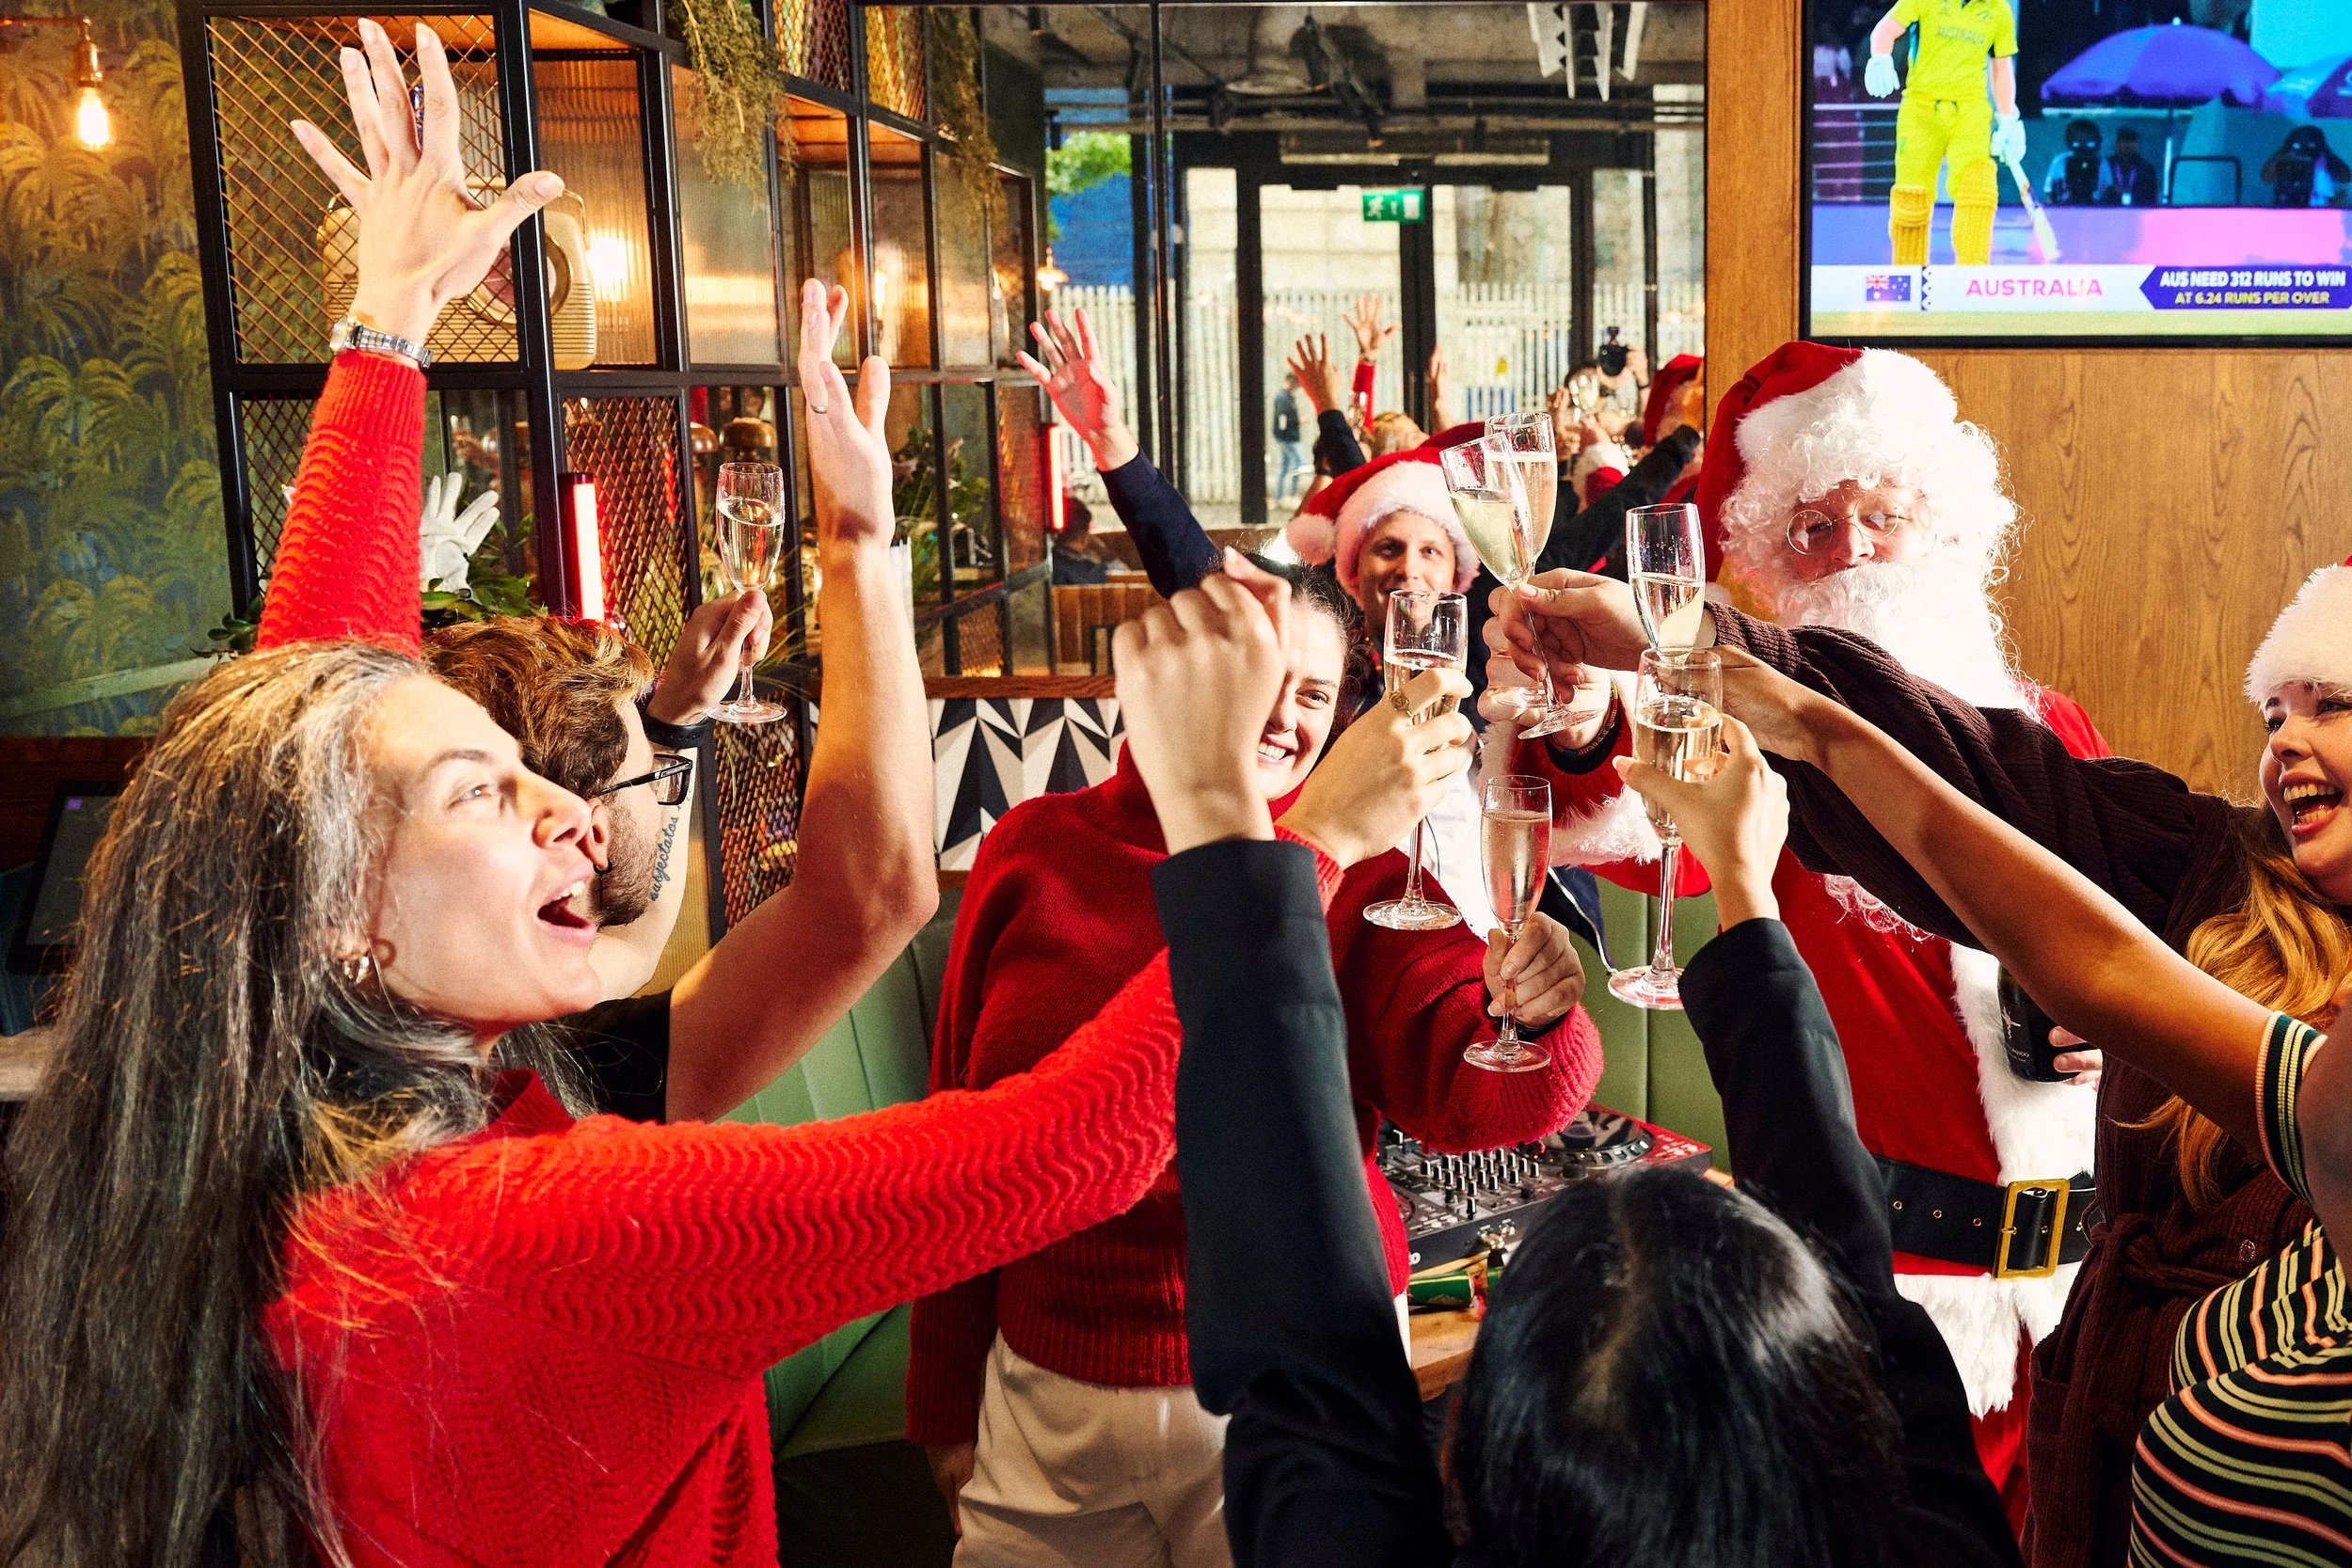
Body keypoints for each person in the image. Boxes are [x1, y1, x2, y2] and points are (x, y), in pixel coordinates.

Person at [0, 28, 1427, 1566]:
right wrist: (1308, 840)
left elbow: (331, 724)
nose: (571, 812)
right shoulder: (531, 1230)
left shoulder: (342, 1104)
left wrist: (391, 321)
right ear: (342, 917)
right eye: (489, 792)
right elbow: (1061, 1150)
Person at [1488, 537, 2350, 1566]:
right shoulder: (2215, 867)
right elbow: (1995, 806)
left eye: (2329, 705)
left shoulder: (2314, 1106)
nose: (2287, 740)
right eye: (2272, 713)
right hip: (2031, 1390)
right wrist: (1717, 665)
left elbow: (2092, 963)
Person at [1169, 675, 2022, 1566]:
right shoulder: (1932, 1539)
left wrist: (1296, 835)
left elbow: (1311, 1370)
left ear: (1459, 1455)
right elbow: (1863, 1297)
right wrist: (1742, 883)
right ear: (1834, 1419)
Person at [1489, 341, 2106, 1524]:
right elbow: (1611, 797)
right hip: (1891, 1297)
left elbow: (2150, 944)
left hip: (2080, 1294)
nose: (1858, 551)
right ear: (1763, 568)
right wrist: (1576, 716)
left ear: (1948, 527)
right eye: (1812, 529)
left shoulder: (2050, 727)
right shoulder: (1747, 751)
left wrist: (2109, 1027)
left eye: (1882, 514)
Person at [911, 552, 1604, 1568]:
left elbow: (1475, 1098)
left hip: (1295, 1379)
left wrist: (1533, 1010)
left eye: (1316, 693)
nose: (1286, 717)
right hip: (1047, 1383)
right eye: (1263, 678)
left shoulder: (1367, 866)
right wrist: (942, 1397)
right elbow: (956, 1132)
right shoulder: (1034, 848)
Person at [1865, 0, 2024, 266]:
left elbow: (2002, 67)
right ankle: (1909, 276)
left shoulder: (1998, 10)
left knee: (1978, 189)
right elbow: (1884, 30)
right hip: (1920, 109)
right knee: (1911, 197)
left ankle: (1972, 274)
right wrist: (1880, 57)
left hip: (1970, 110)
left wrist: (2008, 119)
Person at [2264, 125, 2349, 209]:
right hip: (2288, 206)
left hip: (2322, 209)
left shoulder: (2326, 159)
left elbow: (2346, 177)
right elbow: (2266, 177)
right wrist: (2285, 153)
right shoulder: (2286, 158)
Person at [1049, 493, 1112, 585]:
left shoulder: (1044, 570)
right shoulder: (1094, 572)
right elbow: (1124, 577)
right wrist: (1104, 551)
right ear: (1084, 537)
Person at [2043, 119, 2102, 205]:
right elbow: (2049, 190)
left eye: (2088, 142)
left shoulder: (2102, 163)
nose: (2083, 147)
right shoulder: (2060, 162)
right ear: (2069, 141)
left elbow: (2107, 190)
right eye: (2078, 142)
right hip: (2065, 208)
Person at [2095, 128, 2157, 208]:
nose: (2128, 145)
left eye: (2132, 141)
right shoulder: (2106, 165)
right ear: (2117, 144)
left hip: (2139, 210)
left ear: (2137, 144)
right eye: (2124, 141)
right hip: (2111, 210)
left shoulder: (2146, 168)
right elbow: (2099, 192)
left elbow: (2152, 196)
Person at [1273, 372, 1310, 501]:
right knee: (1298, 465)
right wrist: (1298, 420)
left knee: (1285, 467)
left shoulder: (1287, 397)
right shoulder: (1283, 397)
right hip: (1288, 438)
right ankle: (1292, 495)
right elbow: (1283, 419)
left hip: (1287, 437)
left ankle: (1279, 496)